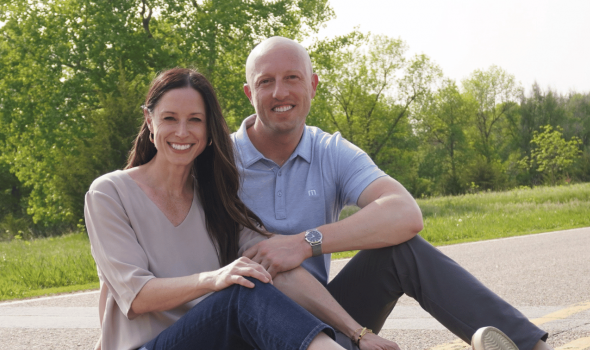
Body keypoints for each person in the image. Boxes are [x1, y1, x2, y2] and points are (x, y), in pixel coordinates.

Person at [232, 36, 554, 350]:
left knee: (401, 251)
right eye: (265, 82)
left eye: (292, 78)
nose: (280, 92)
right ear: (249, 92)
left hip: (323, 318)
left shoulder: (330, 151)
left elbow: (404, 213)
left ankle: (529, 347)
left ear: (313, 85)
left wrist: (304, 243)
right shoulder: (220, 160)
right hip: (245, 327)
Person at [84, 67, 401, 350]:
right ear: (149, 121)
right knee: (239, 289)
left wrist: (357, 332)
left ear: (209, 132)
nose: (182, 132)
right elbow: (136, 297)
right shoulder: (109, 192)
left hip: (212, 340)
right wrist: (214, 278)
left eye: (195, 120)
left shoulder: (215, 198)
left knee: (252, 281)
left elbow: (278, 266)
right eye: (169, 118)